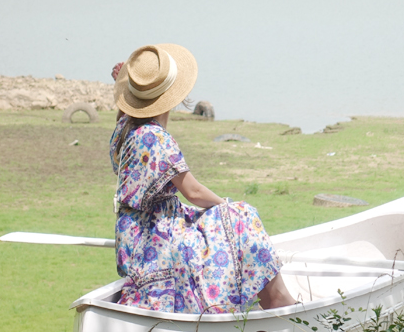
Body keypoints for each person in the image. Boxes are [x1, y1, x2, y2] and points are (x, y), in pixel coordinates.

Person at [110, 43, 295, 314]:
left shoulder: (124, 129)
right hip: (155, 235)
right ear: (172, 97)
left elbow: (125, 115)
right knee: (242, 216)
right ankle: (278, 301)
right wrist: (228, 206)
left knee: (232, 219)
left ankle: (273, 299)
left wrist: (125, 90)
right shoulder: (156, 138)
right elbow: (193, 192)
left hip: (131, 234)